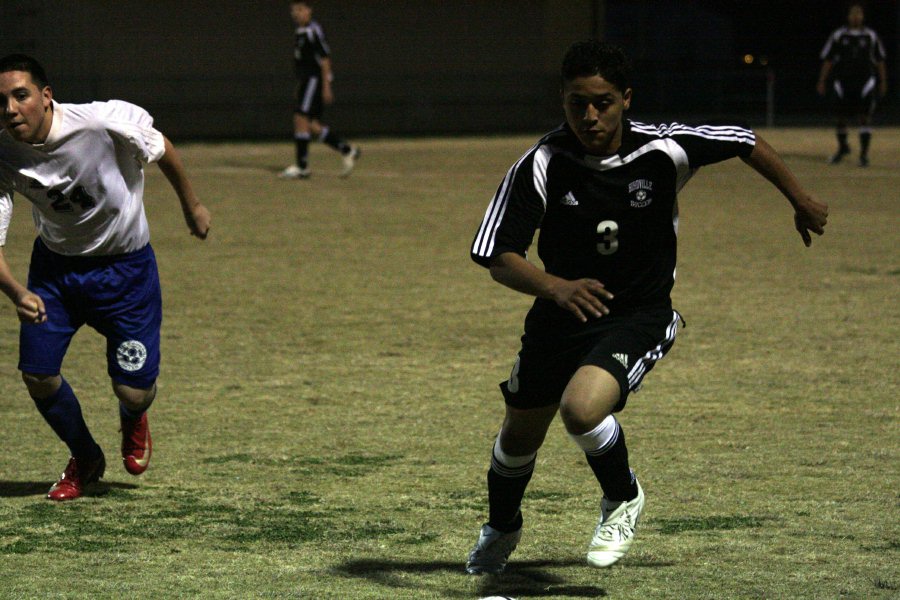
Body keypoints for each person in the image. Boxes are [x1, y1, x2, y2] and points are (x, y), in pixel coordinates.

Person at [466, 40, 828, 574]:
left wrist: (798, 197)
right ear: (563, 101)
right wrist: (556, 288)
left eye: (603, 102)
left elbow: (742, 138)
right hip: (559, 315)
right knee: (519, 433)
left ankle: (622, 497)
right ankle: (501, 528)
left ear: (626, 99)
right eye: (576, 103)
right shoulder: (543, 162)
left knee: (582, 409)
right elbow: (495, 254)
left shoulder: (664, 150)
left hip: (638, 313)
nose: (589, 116)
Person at [0, 54, 211, 501]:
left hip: (126, 272)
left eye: (20, 96)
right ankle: (86, 456)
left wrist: (191, 205)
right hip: (56, 272)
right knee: (38, 375)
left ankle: (133, 416)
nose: (11, 109)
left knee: (133, 392)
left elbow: (162, 148)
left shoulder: (101, 122)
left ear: (45, 95)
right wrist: (16, 290)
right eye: (1, 102)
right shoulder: (2, 151)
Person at [279, 0, 360, 179]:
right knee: (311, 124)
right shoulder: (300, 32)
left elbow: (324, 59)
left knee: (300, 118)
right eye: (294, 10)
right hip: (306, 82)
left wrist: (326, 86)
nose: (296, 13)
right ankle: (347, 150)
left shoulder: (312, 31)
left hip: (313, 81)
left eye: (300, 9)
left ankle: (302, 167)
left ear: (309, 10)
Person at [816, 2, 888, 167]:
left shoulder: (871, 36)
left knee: (864, 117)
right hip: (842, 82)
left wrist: (883, 81)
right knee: (840, 118)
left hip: (865, 82)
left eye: (859, 13)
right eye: (853, 14)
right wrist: (822, 80)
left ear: (863, 16)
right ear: (848, 16)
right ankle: (842, 148)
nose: (856, 17)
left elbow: (880, 60)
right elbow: (828, 59)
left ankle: (863, 155)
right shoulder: (839, 35)